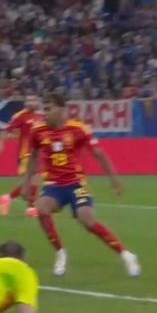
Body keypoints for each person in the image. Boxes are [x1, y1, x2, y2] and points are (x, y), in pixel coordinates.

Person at [22, 92, 140, 277]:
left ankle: (126, 255)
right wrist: (26, 184)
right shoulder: (38, 131)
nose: (44, 113)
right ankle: (60, 253)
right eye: (44, 109)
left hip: (76, 184)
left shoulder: (78, 129)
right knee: (42, 209)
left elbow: (98, 154)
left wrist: (114, 180)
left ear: (61, 109)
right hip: (53, 185)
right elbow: (33, 158)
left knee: (87, 221)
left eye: (48, 109)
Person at [0, 94, 43, 217]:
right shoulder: (20, 116)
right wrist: (0, 142)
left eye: (33, 100)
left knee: (34, 181)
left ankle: (10, 200)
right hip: (26, 154)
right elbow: (7, 129)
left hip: (37, 153)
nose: (31, 102)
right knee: (33, 179)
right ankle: (29, 207)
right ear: (25, 103)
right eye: (29, 100)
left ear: (38, 102)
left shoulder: (40, 116)